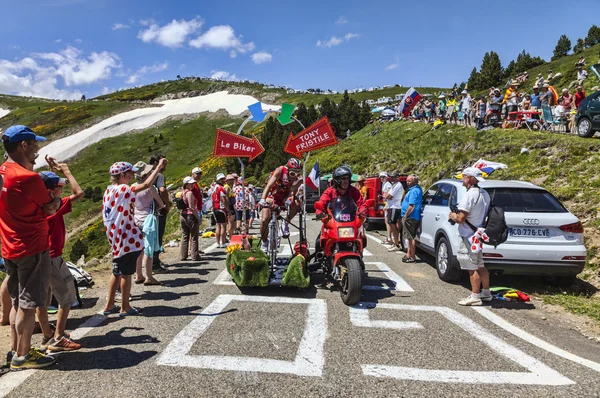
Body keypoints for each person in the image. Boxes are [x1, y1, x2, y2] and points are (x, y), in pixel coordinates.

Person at [0, 125, 61, 369]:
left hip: (9, 245)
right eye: (34, 143)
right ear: (23, 146)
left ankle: (16, 348)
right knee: (29, 304)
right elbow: (50, 206)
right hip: (32, 246)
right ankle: (23, 356)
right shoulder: (28, 178)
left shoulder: (3, 171)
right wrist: (55, 200)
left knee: (17, 301)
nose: (37, 147)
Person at [102, 158, 167, 318]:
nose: (132, 176)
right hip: (127, 237)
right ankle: (125, 306)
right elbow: (145, 185)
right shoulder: (124, 189)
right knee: (126, 273)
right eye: (129, 174)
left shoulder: (108, 190)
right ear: (122, 175)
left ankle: (109, 305)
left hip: (115, 237)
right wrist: (158, 167)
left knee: (116, 271)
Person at [34, 159, 84, 353]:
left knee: (43, 299)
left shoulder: (35, 205)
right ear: (49, 191)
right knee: (66, 296)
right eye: (58, 188)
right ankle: (59, 337)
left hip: (38, 255)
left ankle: (47, 335)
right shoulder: (53, 205)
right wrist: (67, 171)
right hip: (53, 256)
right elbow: (78, 193)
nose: (61, 191)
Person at [448, 167, 492, 306]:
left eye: (464, 176)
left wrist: (453, 216)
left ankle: (475, 296)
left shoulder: (469, 195)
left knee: (471, 267)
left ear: (470, 178)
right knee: (480, 264)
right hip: (478, 234)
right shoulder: (484, 193)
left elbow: (461, 218)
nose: (462, 178)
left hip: (468, 235)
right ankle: (486, 293)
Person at [314, 166, 367, 251]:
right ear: (337, 180)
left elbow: (361, 203)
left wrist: (363, 211)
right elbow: (321, 202)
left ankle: (359, 256)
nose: (346, 181)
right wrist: (319, 212)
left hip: (351, 221)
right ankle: (319, 258)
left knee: (361, 237)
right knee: (319, 241)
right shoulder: (329, 191)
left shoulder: (353, 191)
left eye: (347, 178)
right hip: (333, 220)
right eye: (343, 178)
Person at [258, 158, 303, 253]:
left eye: (297, 173)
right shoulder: (280, 170)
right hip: (272, 195)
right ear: (288, 170)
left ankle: (285, 223)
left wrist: (289, 200)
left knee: (297, 203)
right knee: (264, 219)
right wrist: (262, 199)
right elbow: (269, 186)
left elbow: (292, 193)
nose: (294, 176)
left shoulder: (299, 180)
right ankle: (264, 242)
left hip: (284, 197)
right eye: (292, 173)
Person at [133, 161, 165, 284]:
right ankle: (149, 277)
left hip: (136, 220)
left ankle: (138, 275)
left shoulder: (133, 187)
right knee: (149, 249)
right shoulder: (151, 188)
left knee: (139, 249)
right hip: (148, 221)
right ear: (146, 174)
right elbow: (160, 204)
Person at [148, 154, 169, 272]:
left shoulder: (144, 175)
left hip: (144, 210)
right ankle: (155, 262)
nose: (165, 166)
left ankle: (149, 262)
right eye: (164, 163)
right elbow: (163, 190)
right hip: (158, 209)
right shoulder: (159, 175)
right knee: (158, 235)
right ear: (157, 163)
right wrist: (166, 205)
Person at [401, 174, 422, 263]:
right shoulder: (417, 189)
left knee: (410, 238)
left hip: (411, 217)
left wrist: (406, 215)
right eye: (407, 181)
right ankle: (408, 254)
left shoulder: (413, 191)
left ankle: (412, 257)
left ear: (415, 182)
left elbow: (411, 205)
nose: (407, 183)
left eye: (410, 181)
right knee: (409, 237)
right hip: (414, 216)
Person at [179, 176, 201, 261]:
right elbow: (192, 207)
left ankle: (183, 255)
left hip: (183, 215)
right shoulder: (190, 193)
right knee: (194, 236)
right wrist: (197, 217)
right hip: (190, 215)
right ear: (187, 184)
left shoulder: (182, 193)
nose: (192, 185)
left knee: (185, 236)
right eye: (191, 184)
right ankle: (194, 255)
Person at [385, 172, 405, 252]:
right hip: (392, 207)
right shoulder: (394, 185)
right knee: (391, 224)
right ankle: (395, 242)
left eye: (394, 177)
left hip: (395, 207)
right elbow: (387, 196)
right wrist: (387, 195)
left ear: (398, 177)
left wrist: (387, 195)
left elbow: (389, 196)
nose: (392, 178)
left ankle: (396, 244)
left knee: (392, 224)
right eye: (391, 177)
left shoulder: (398, 185)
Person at [212, 173, 229, 248]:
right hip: (221, 208)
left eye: (224, 179)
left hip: (215, 208)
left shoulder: (214, 188)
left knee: (218, 225)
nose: (223, 180)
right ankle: (223, 242)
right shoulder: (221, 188)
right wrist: (228, 210)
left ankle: (217, 242)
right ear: (219, 180)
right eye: (222, 179)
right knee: (223, 226)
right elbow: (223, 200)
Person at [379, 171, 393, 245]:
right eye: (381, 177)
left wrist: (387, 205)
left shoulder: (388, 185)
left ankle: (390, 238)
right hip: (386, 204)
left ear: (386, 177)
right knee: (387, 222)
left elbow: (390, 196)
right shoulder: (384, 184)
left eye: (383, 177)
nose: (381, 178)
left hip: (388, 205)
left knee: (388, 222)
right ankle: (389, 237)